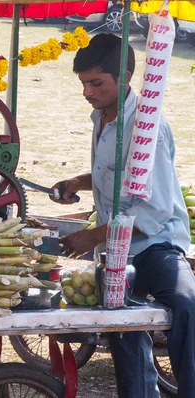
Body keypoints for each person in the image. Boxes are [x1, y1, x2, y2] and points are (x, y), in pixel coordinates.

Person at [51, 33, 195, 398]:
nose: (87, 92)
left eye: (96, 83)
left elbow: (153, 207)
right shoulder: (102, 117)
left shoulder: (148, 128)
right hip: (118, 252)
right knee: (121, 324)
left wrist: (92, 236)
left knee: (186, 305)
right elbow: (115, 177)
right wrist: (78, 182)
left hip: (155, 243)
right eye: (83, 83)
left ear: (125, 77)